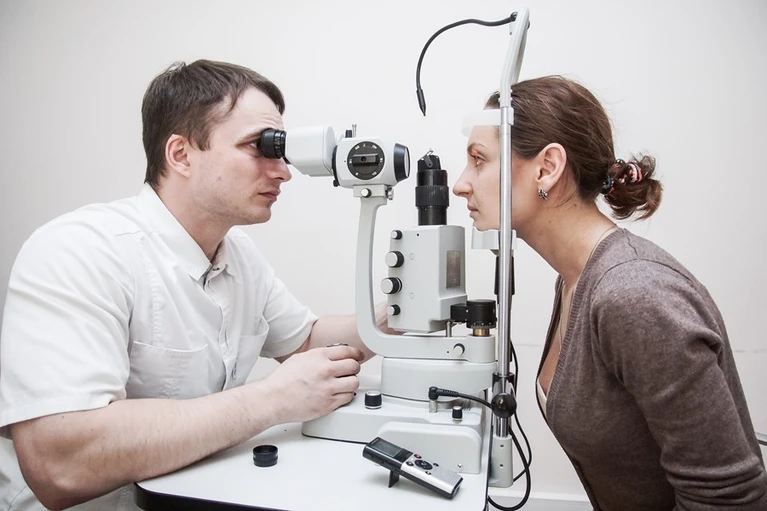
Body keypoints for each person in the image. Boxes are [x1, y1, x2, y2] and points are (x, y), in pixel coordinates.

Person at [0, 60, 384, 511]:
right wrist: (272, 400)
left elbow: (306, 341)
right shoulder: (79, 250)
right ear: (181, 154)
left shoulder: (238, 255)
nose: (283, 171)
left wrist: (401, 312)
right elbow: (60, 463)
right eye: (260, 146)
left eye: (280, 150)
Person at [452, 75, 767, 510]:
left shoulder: (633, 295)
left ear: (547, 167)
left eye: (479, 160)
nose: (461, 183)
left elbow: (729, 499)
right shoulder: (575, 279)